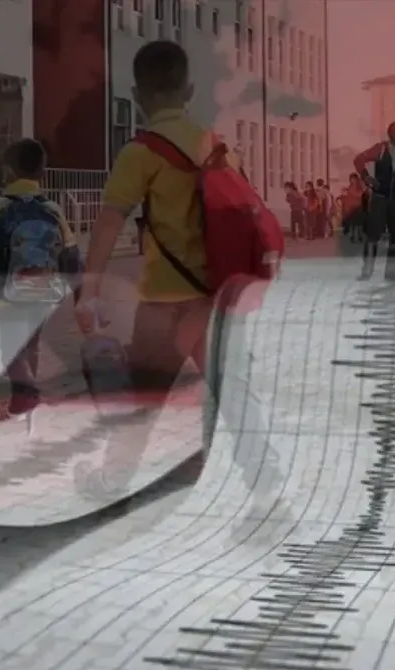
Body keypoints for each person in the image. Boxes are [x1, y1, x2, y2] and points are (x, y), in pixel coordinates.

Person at [78, 39, 280, 495]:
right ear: (189, 90)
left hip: (163, 301)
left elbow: (109, 223)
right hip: (216, 301)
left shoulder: (140, 152)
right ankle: (264, 480)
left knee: (144, 398)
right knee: (235, 394)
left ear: (136, 94)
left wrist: (89, 291)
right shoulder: (219, 148)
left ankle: (112, 482)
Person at [0, 138, 83, 420]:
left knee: (11, 346)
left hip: (10, 290)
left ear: (10, 171)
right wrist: (79, 291)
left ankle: (25, 395)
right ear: (43, 171)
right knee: (32, 343)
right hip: (45, 289)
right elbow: (70, 253)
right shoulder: (52, 208)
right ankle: (25, 397)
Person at [353, 120, 395, 281]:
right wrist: (367, 178)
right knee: (373, 236)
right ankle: (367, 270)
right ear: (392, 134)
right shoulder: (381, 148)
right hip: (380, 198)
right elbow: (359, 159)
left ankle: (391, 273)